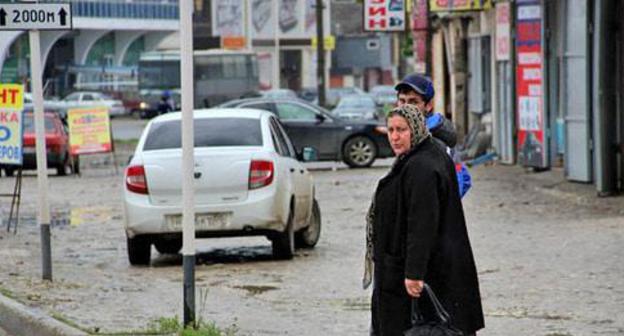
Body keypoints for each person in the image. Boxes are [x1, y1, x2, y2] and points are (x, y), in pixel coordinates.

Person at [363, 104, 484, 335]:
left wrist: (414, 274)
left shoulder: (423, 167)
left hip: (420, 274)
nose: (395, 137)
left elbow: (422, 224)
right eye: (391, 131)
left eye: (402, 130)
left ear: (416, 128)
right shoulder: (420, 156)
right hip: (419, 267)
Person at [395, 73, 471, 197]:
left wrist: (434, 209)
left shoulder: (435, 140)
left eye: (413, 102)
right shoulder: (411, 135)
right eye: (402, 101)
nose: (406, 107)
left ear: (428, 106)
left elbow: (461, 179)